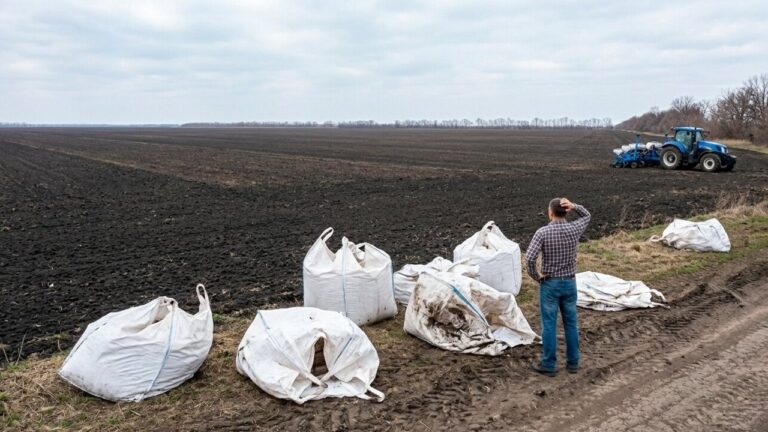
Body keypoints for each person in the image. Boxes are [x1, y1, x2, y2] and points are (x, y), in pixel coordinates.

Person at [525, 197, 591, 377]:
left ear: (550, 212)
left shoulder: (543, 232)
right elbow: (587, 215)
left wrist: (536, 276)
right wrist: (574, 206)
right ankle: (573, 363)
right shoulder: (574, 228)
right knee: (571, 324)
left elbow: (529, 258)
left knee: (549, 325)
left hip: (550, 284)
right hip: (570, 283)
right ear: (565, 211)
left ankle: (549, 364)